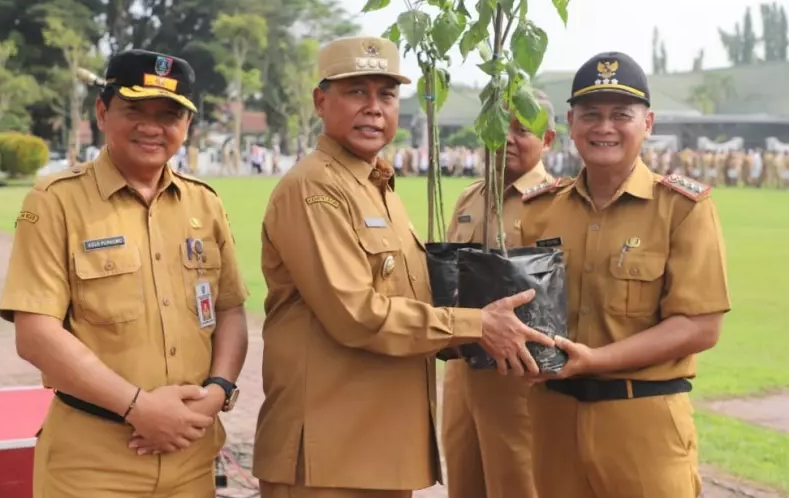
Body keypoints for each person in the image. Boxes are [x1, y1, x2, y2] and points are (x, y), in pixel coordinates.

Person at [252, 35, 555, 498]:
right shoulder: (314, 188)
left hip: (378, 448)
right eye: (356, 91)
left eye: (386, 95)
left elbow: (408, 299)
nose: (373, 108)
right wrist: (477, 325)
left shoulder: (378, 186)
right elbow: (357, 314)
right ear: (320, 101)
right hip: (329, 453)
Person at [0, 49, 250, 498]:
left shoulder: (203, 203)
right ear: (102, 112)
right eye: (135, 109)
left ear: (187, 125)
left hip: (190, 458)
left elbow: (229, 309)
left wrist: (219, 390)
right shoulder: (55, 201)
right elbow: (35, 334)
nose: (152, 127)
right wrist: (139, 408)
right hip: (93, 465)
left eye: (170, 114)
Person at [518, 51, 731, 498]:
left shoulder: (682, 209)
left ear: (648, 123)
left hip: (643, 420)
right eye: (591, 114)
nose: (605, 127)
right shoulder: (540, 211)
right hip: (554, 418)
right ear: (572, 124)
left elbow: (700, 325)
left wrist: (597, 361)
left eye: (621, 114)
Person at [441, 94, 558, 498]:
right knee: (463, 474)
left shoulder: (556, 200)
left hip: (518, 374)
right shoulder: (470, 198)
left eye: (522, 130)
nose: (507, 139)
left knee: (516, 481)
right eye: (497, 128)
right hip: (461, 367)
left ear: (548, 140)